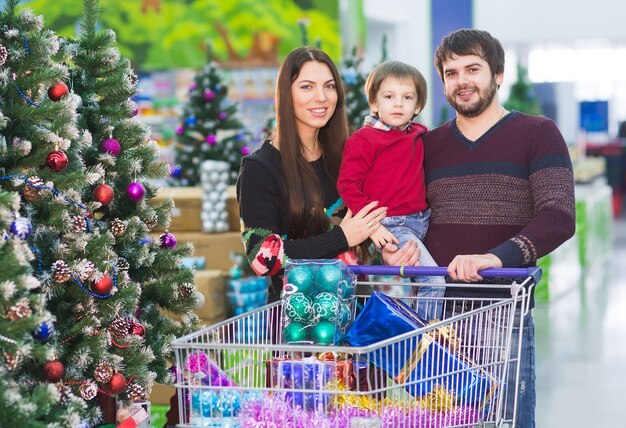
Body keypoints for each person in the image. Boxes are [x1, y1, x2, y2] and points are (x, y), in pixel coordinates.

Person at [382, 29, 575, 427]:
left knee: (505, 420)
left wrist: (494, 257)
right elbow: (409, 214)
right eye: (451, 73)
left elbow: (559, 215)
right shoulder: (426, 146)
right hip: (435, 318)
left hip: (502, 312)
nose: (462, 80)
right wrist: (398, 246)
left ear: (498, 74)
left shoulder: (537, 133)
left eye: (473, 69)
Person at [236, 46, 388, 303]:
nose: (321, 97)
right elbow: (263, 258)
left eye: (329, 86)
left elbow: (367, 234)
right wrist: (342, 237)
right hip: (297, 325)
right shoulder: (260, 168)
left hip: (356, 320)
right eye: (307, 87)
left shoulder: (348, 157)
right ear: (286, 94)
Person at [337, 60, 444, 320]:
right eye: (389, 96)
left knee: (415, 287)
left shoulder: (419, 134)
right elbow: (347, 185)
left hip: (424, 221)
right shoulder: (363, 140)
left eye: (407, 97)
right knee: (434, 282)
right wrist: (374, 227)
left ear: (417, 106)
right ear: (374, 103)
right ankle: (427, 344)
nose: (398, 104)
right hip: (392, 226)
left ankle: (415, 335)